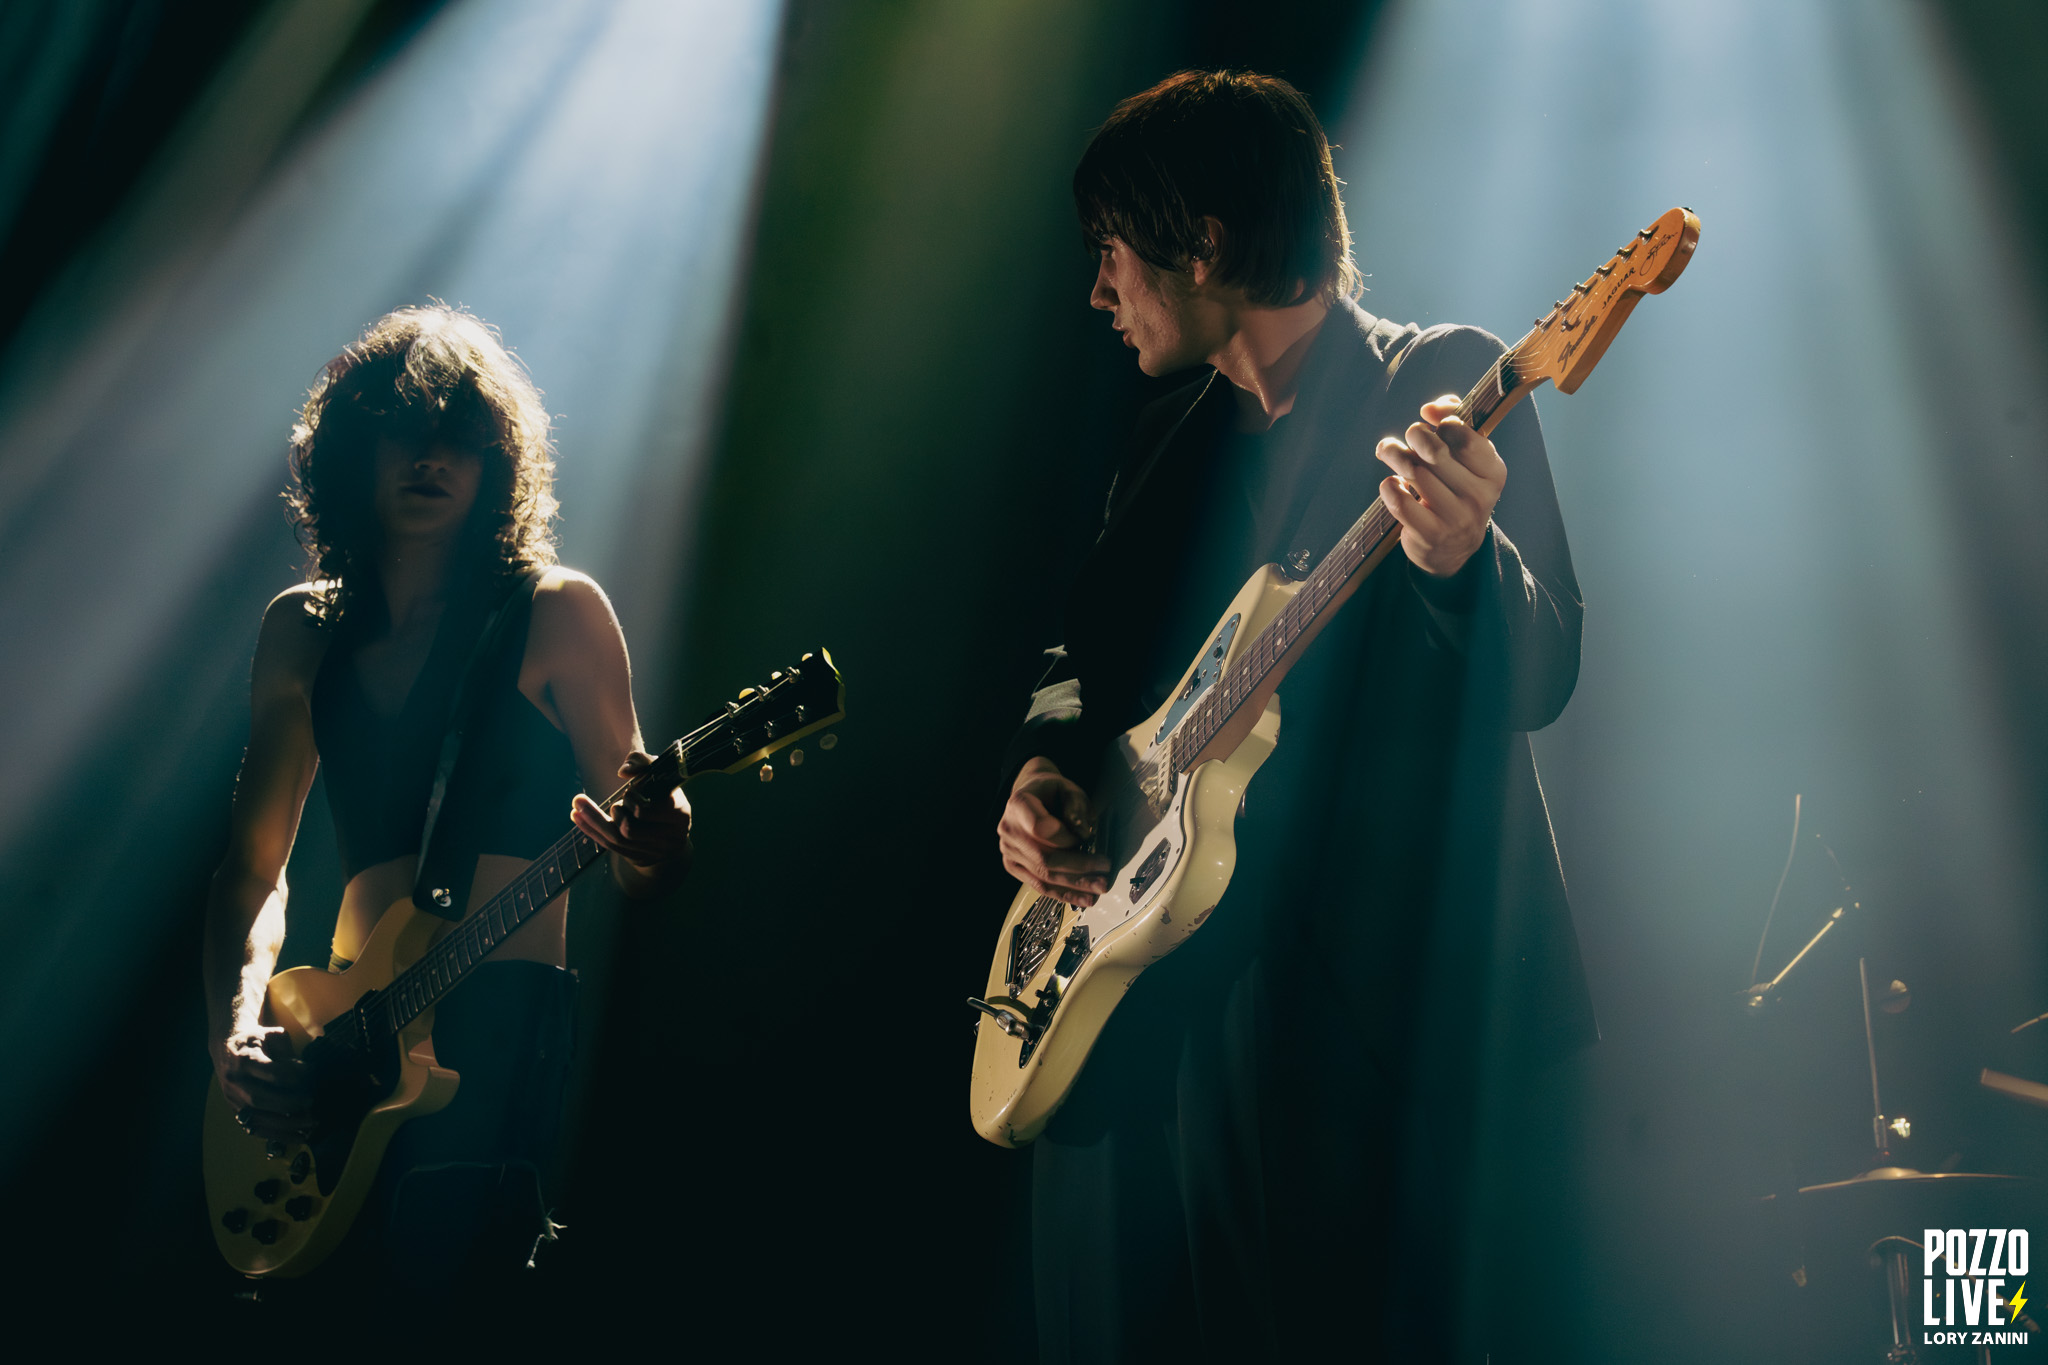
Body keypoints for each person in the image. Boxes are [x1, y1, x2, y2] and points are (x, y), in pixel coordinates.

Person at [993, 72, 1596, 1362]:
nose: (1097, 289)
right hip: (1173, 1019)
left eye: (1112, 250)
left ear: (1203, 242)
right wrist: (1042, 761)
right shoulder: (1168, 448)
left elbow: (1543, 664)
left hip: (1383, 1028)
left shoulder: (1435, 383)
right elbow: (1064, 657)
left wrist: (1458, 564)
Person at [201, 304, 690, 1291]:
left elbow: (645, 865)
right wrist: (236, 1031)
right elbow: (253, 869)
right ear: (350, 452)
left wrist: (661, 838)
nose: (431, 460)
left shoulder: (556, 613)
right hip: (348, 1029)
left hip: (501, 1023)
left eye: (461, 439)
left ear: (497, 463)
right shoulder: (302, 633)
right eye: (403, 432)